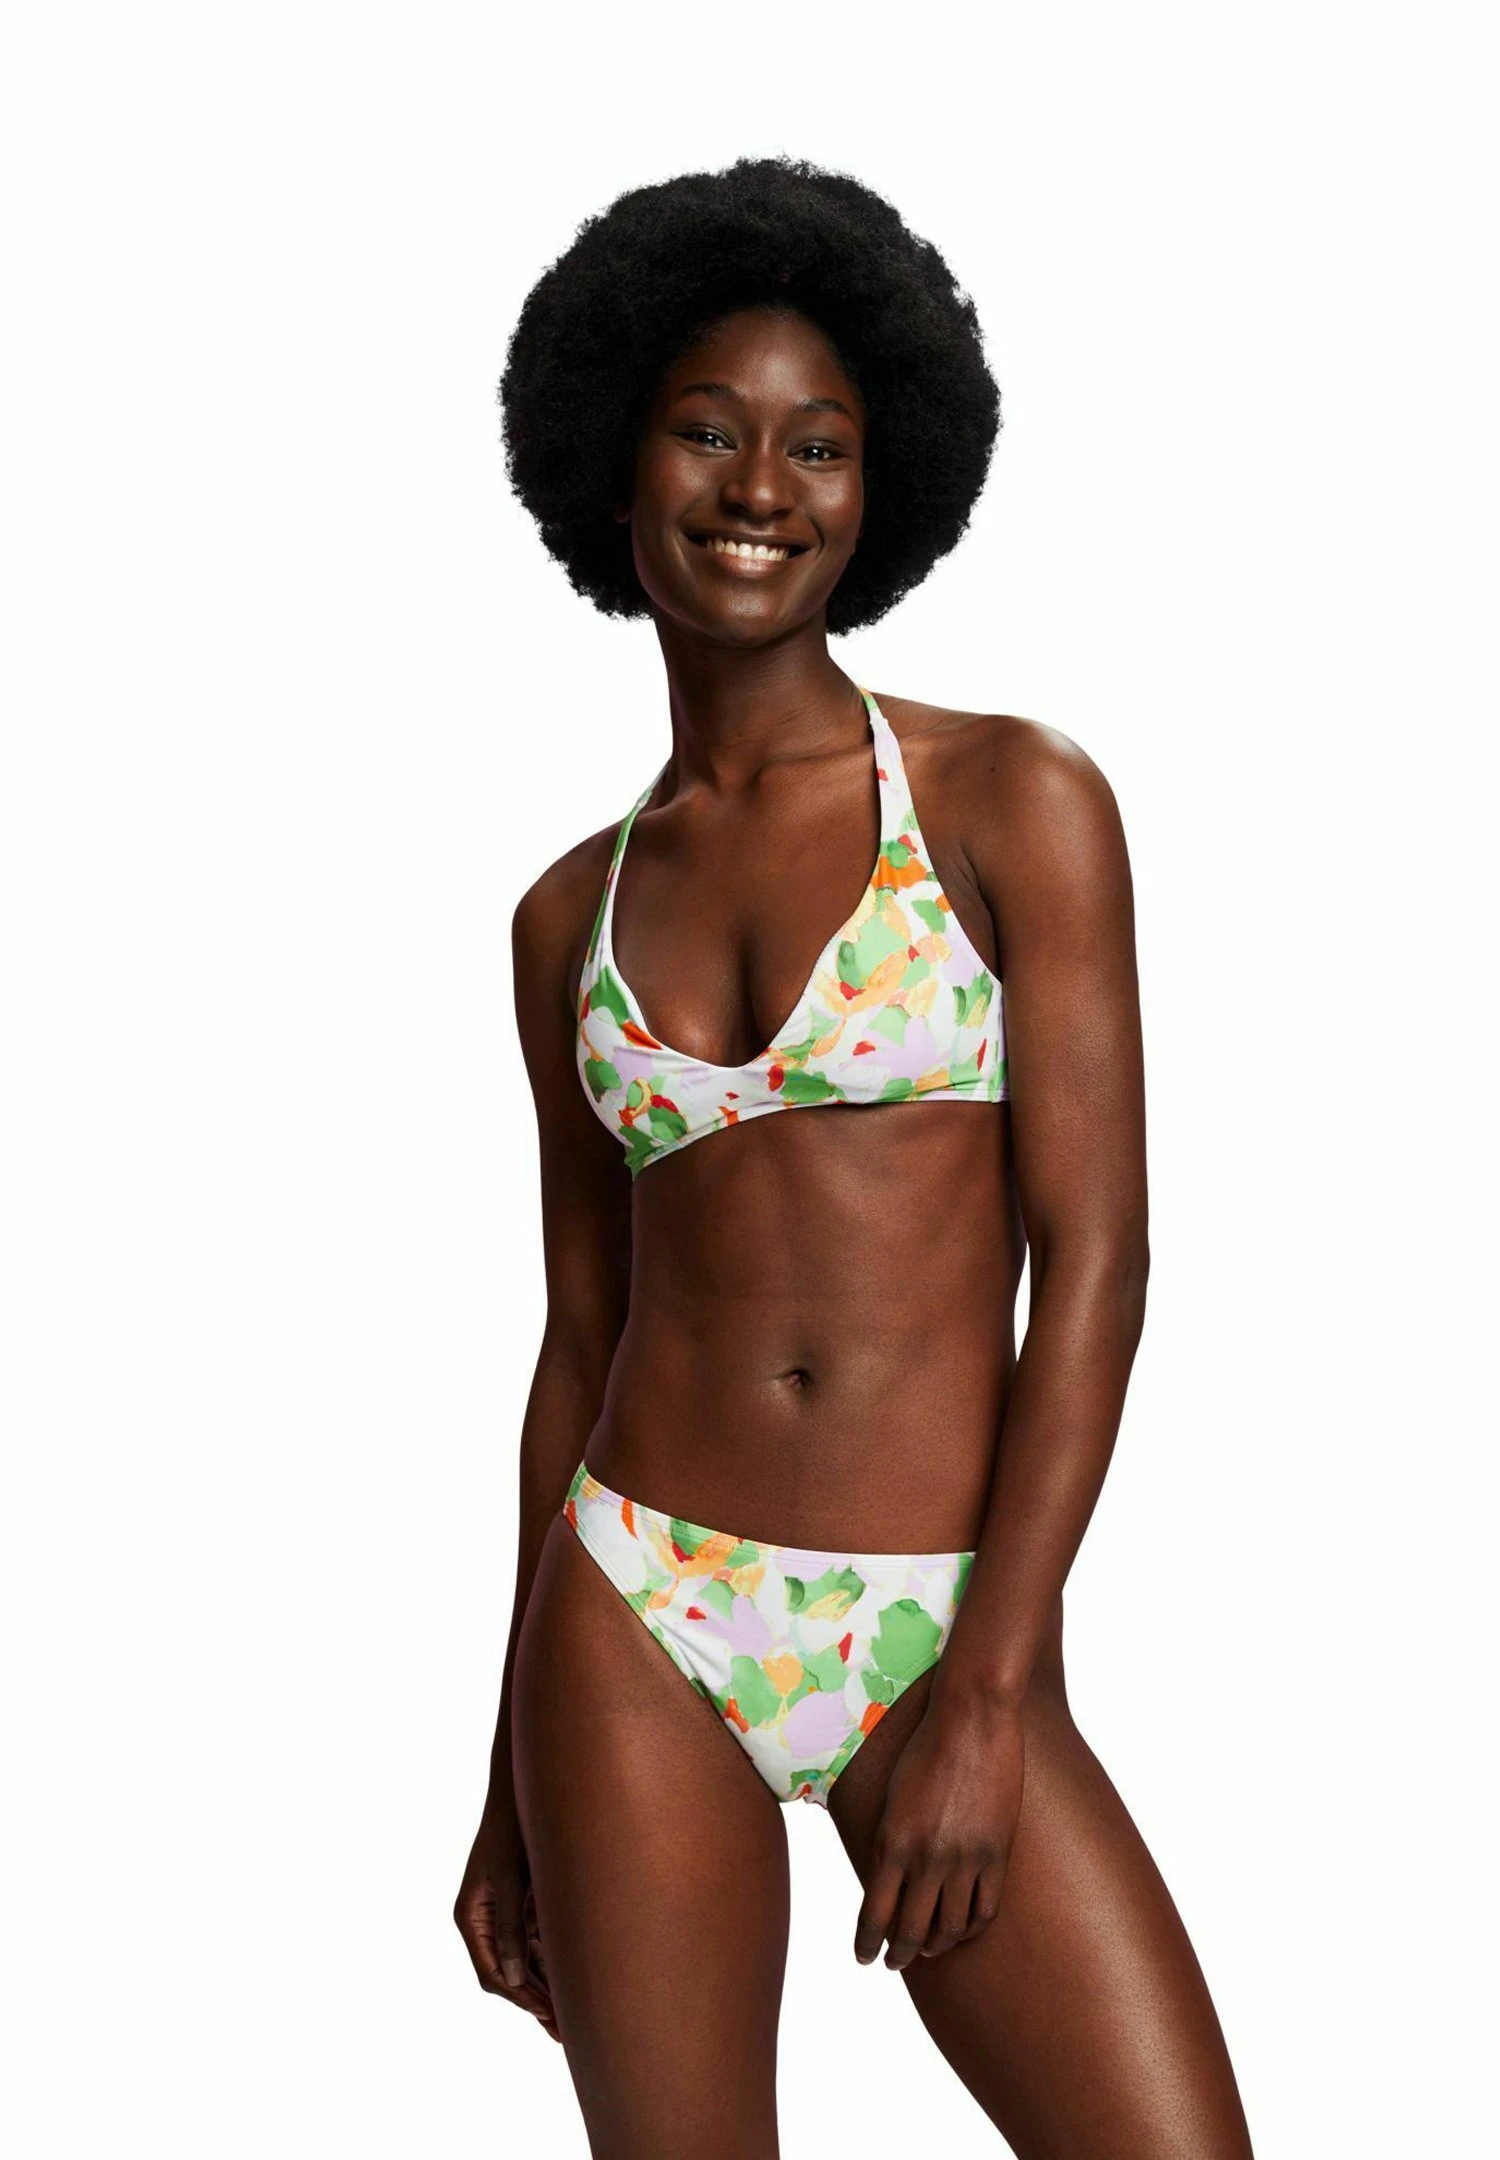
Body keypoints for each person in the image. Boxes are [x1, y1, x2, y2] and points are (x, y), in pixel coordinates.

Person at [455, 155, 1253, 2158]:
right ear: (615, 466)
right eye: (706, 432)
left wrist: (993, 1692)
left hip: (935, 1631)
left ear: (878, 487)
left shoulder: (1008, 801)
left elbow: (1101, 1260)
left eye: (817, 445)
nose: (760, 487)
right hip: (635, 1612)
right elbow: (579, 1339)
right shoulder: (567, 915)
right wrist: (501, 1779)